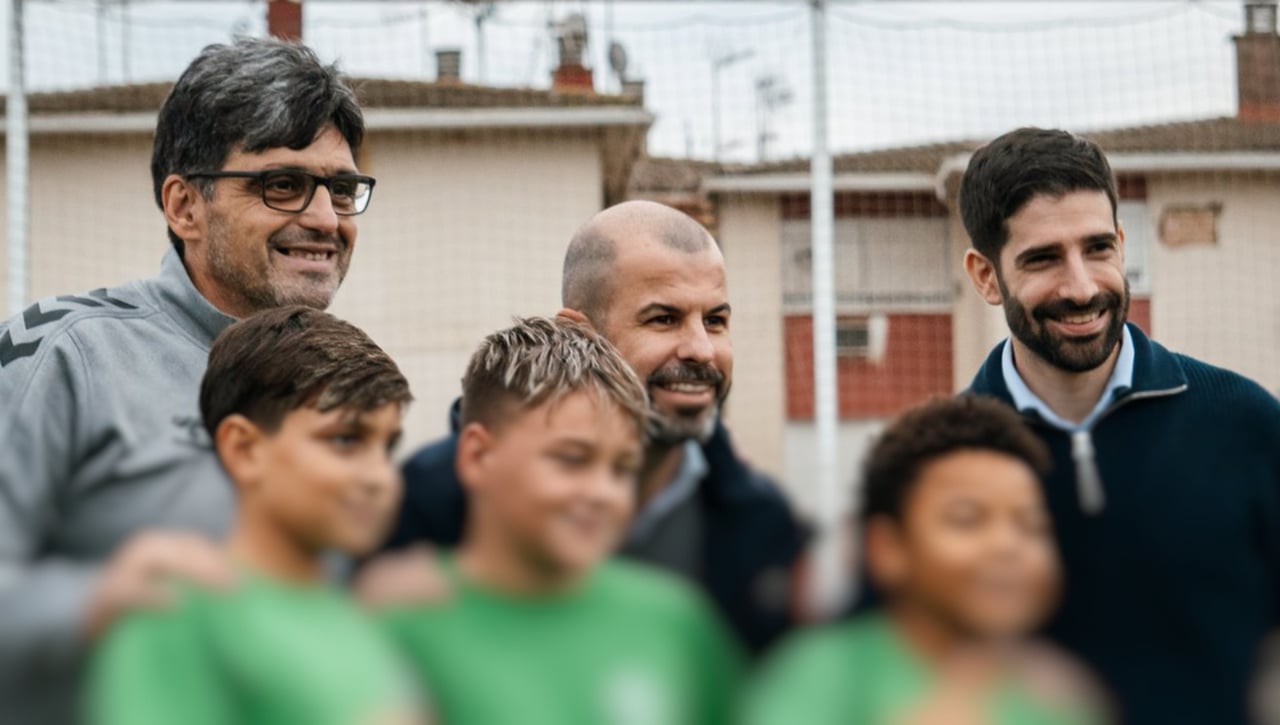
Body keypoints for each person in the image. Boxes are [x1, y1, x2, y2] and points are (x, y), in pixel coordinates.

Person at [0, 37, 372, 722]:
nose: (326, 219)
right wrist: (95, 600)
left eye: (342, 189)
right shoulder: (63, 352)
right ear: (183, 206)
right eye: (282, 185)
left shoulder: (347, 383)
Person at [382, 201, 807, 654]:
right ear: (579, 332)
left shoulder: (761, 520)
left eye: (715, 321)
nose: (702, 350)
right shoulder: (425, 504)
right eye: (664, 319)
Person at [961, 127, 1280, 725]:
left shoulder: (1246, 423)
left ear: (1122, 243)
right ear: (985, 276)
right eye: (1043, 258)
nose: (1082, 287)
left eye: (1098, 248)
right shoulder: (942, 459)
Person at [377, 317, 741, 725]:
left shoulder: (678, 626)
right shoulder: (394, 629)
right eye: (572, 459)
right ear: (478, 456)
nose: (603, 492)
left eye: (622, 468)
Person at [90, 306, 426, 725]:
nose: (380, 476)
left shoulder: (357, 618)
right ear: (245, 449)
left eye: (388, 446)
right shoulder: (179, 612)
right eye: (344, 440)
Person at [745, 396, 1105, 725]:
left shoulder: (1064, 697)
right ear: (887, 547)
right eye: (967, 518)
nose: (1007, 545)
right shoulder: (820, 678)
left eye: (1032, 524)